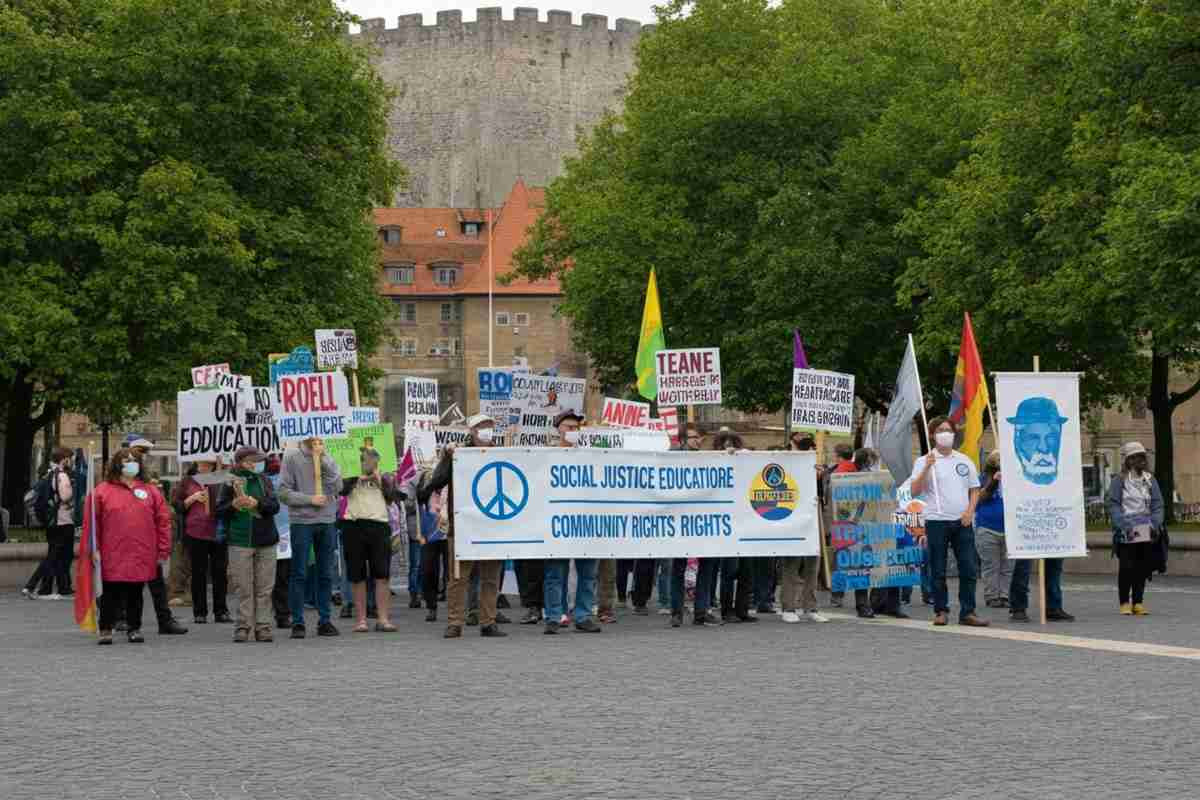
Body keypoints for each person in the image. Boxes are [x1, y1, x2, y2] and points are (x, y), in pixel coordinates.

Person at [419, 414, 507, 638]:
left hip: (493, 525)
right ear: (472, 431)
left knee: (490, 577)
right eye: (481, 427)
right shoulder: (458, 454)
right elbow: (437, 482)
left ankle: (488, 621)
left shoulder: (503, 453)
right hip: (463, 525)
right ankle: (455, 622)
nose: (486, 430)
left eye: (489, 426)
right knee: (458, 577)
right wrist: (448, 458)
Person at [85, 449, 172, 645]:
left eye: (134, 460)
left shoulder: (151, 491)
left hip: (142, 550)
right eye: (126, 460)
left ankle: (135, 628)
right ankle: (106, 628)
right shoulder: (102, 491)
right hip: (112, 550)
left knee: (136, 591)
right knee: (110, 592)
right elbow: (93, 523)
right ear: (117, 464)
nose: (131, 463)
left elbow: (163, 521)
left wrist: (163, 549)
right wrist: (94, 548)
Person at [910, 417, 988, 627]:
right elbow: (914, 491)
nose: (945, 433)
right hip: (936, 521)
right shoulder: (924, 461)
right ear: (933, 435)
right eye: (940, 430)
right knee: (938, 569)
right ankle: (941, 610)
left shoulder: (964, 460)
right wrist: (926, 468)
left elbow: (974, 489)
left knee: (969, 568)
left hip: (962, 522)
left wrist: (970, 512)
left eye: (948, 430)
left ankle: (968, 612)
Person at [543, 410, 602, 634]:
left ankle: (583, 615)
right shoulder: (547, 456)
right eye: (568, 427)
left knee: (588, 572)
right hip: (557, 522)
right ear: (558, 429)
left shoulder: (590, 456)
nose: (572, 431)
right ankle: (553, 616)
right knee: (555, 572)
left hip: (586, 522)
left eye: (576, 428)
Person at [279, 437, 342, 639]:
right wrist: (309, 499)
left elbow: (338, 486)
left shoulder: (328, 457)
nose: (317, 441)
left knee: (325, 573)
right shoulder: (291, 458)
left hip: (326, 520)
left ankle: (325, 620)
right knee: (299, 572)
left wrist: (323, 460)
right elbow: (283, 492)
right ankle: (298, 622)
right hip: (302, 522)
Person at [217, 447, 281, 643]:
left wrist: (257, 504)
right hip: (239, 540)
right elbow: (218, 510)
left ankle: (263, 627)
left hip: (266, 540)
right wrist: (233, 505)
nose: (255, 464)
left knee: (264, 587)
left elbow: (274, 506)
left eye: (258, 460)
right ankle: (243, 626)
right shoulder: (229, 481)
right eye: (250, 461)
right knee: (243, 587)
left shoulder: (265, 480)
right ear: (240, 462)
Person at [339, 448, 403, 633]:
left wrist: (378, 479)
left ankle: (383, 619)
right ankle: (361, 620)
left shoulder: (386, 474)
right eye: (365, 458)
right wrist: (357, 477)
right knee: (357, 575)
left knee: (382, 574)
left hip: (379, 524)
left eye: (371, 459)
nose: (368, 462)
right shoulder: (349, 471)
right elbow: (341, 490)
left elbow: (393, 498)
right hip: (353, 524)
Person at [1107, 441, 1164, 616]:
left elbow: (1158, 504)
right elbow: (1114, 504)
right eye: (1135, 457)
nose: (1140, 460)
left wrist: (1155, 523)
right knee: (1126, 566)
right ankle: (1124, 602)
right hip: (1126, 529)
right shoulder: (1119, 480)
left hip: (1146, 527)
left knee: (1142, 566)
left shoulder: (1150, 479)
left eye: (1142, 457)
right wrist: (1121, 524)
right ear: (1128, 460)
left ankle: (1138, 602)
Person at [173, 461, 232, 624]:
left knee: (220, 573)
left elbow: (229, 503)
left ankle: (221, 611)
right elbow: (177, 505)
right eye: (202, 463)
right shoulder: (188, 481)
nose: (204, 466)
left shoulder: (221, 478)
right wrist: (192, 499)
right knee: (198, 573)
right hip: (196, 531)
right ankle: (200, 612)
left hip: (218, 532)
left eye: (208, 463)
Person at [22, 447, 76, 600]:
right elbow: (65, 496)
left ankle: (51, 588)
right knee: (58, 556)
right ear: (64, 459)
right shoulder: (63, 475)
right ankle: (31, 585)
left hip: (51, 521)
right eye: (69, 458)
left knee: (56, 554)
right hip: (63, 521)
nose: (71, 461)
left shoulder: (49, 474)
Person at [974, 452, 1011, 610]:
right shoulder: (982, 478)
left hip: (1010, 529)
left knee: (1008, 566)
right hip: (988, 528)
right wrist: (993, 483)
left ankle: (1005, 595)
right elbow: (979, 498)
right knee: (991, 565)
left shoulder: (1015, 479)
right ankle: (991, 596)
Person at [267, 455, 293, 629]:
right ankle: (277, 612)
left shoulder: (290, 477)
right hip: (266, 532)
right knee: (270, 578)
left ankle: (283, 613)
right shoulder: (260, 480)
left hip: (287, 533)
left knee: (284, 576)